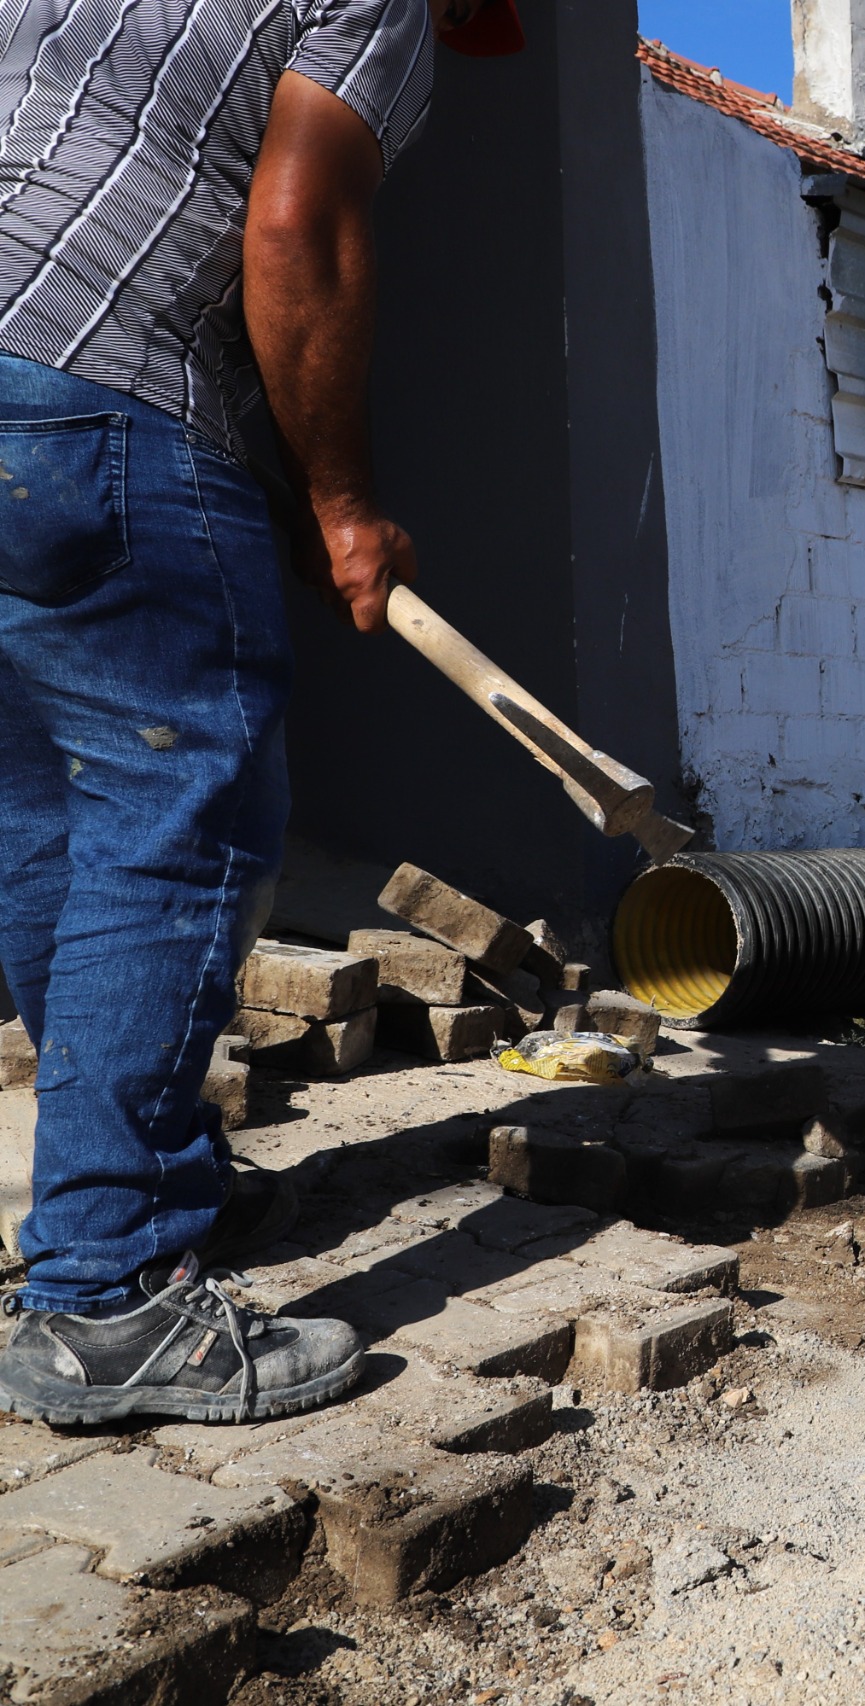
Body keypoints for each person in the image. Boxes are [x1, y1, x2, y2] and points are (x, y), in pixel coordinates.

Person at [0, 0, 524, 1426]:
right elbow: (300, 232)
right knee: (182, 808)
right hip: (96, 391)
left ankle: (124, 1198)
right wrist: (342, 493)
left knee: (51, 807)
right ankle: (104, 1293)